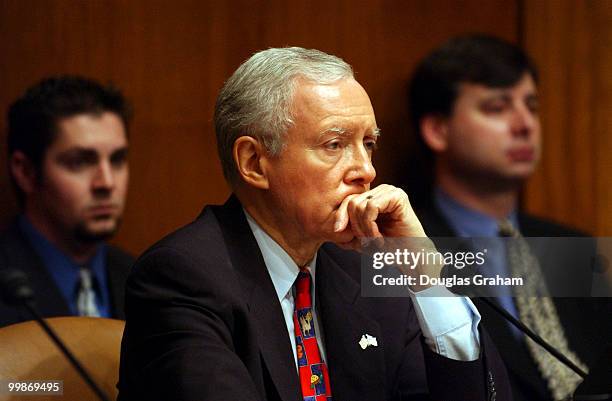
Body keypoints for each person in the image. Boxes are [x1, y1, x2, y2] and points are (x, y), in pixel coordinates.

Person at [117, 47, 511, 401]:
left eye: (368, 144)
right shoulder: (181, 279)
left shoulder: (368, 273)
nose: (365, 170)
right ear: (254, 163)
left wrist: (427, 280)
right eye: (334, 145)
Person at [408, 34, 609, 401]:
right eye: (497, 108)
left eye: (531, 105)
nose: (525, 125)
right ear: (438, 130)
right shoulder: (405, 250)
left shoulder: (569, 245)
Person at [0, 76, 133, 327]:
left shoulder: (142, 277)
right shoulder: (6, 281)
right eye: (79, 162)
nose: (106, 182)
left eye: (117, 160)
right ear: (26, 172)